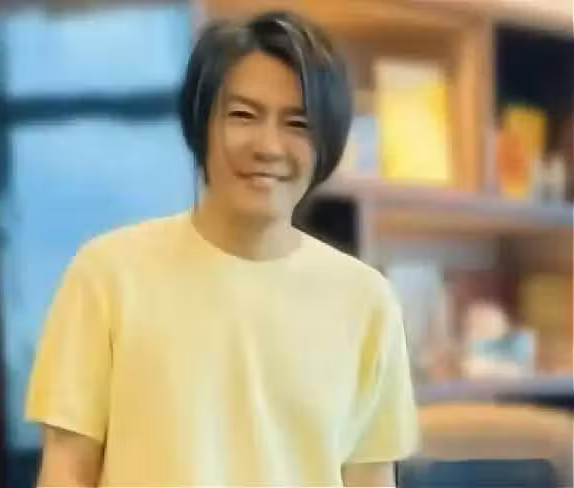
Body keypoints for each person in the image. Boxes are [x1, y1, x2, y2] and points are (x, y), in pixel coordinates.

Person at [26, 10, 419, 487]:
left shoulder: (366, 301)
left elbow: (370, 479)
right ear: (202, 126)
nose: (268, 145)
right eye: (243, 116)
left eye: (297, 124)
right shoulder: (107, 275)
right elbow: (67, 471)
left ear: (327, 144)